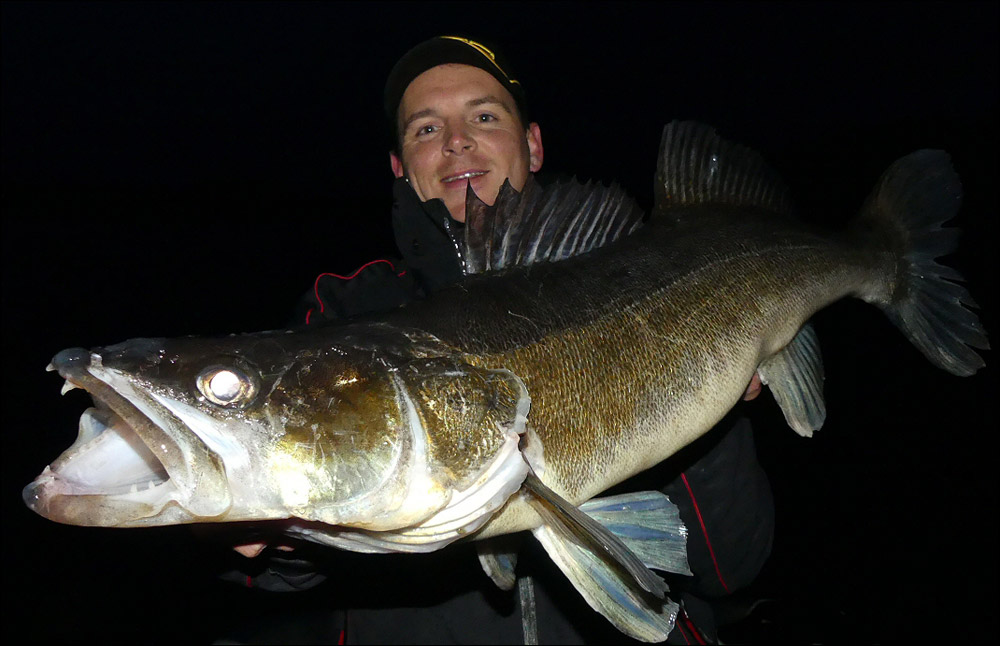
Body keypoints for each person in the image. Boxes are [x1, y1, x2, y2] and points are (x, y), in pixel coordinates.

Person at [230, 36, 774, 645]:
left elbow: (731, 569)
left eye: (483, 116)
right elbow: (272, 581)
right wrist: (283, 539)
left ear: (533, 145)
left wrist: (713, 406)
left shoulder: (659, 281)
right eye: (426, 128)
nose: (456, 141)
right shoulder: (345, 315)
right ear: (399, 167)